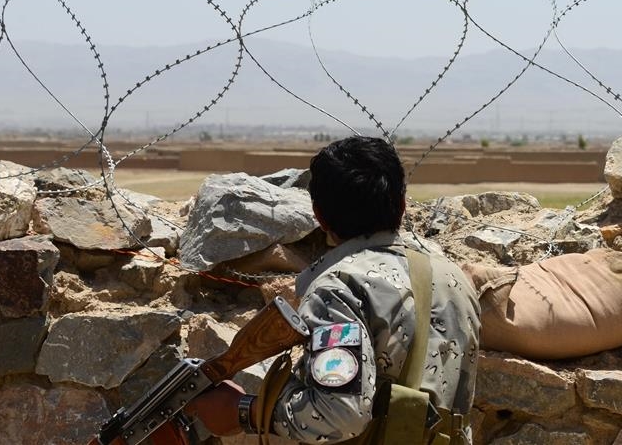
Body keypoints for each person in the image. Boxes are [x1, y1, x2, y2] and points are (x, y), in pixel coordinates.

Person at [185, 136, 481, 444]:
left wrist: (244, 411)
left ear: (319, 216)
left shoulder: (337, 289)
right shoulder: (452, 277)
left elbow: (340, 414)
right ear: (402, 205)